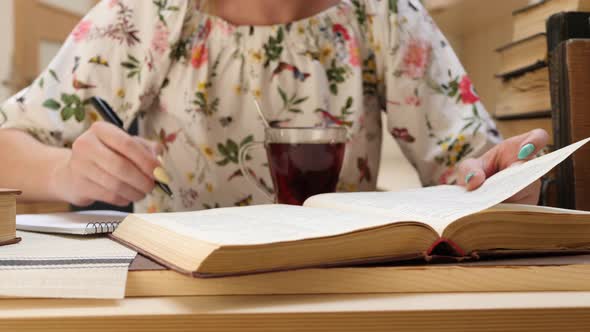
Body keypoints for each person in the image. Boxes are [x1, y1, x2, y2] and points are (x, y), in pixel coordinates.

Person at [0, 0, 548, 212]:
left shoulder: (382, 13)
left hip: (347, 299)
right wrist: (66, 172)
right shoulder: (149, 13)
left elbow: (471, 160)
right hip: (186, 304)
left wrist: (502, 180)